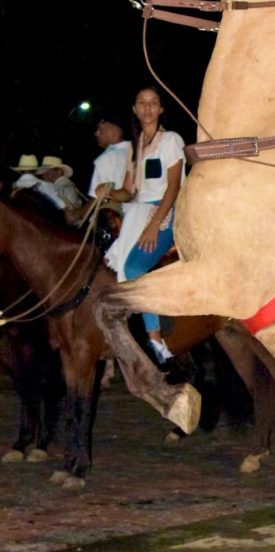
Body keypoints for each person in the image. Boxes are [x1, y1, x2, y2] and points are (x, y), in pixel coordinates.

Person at [101, 86, 185, 366]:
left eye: (154, 103)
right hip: (137, 212)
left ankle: (157, 342)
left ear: (161, 109)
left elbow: (173, 186)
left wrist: (155, 224)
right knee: (110, 268)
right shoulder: (134, 149)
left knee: (135, 268)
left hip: (164, 210)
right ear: (135, 109)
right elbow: (128, 191)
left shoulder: (171, 140)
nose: (148, 108)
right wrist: (109, 192)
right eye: (142, 103)